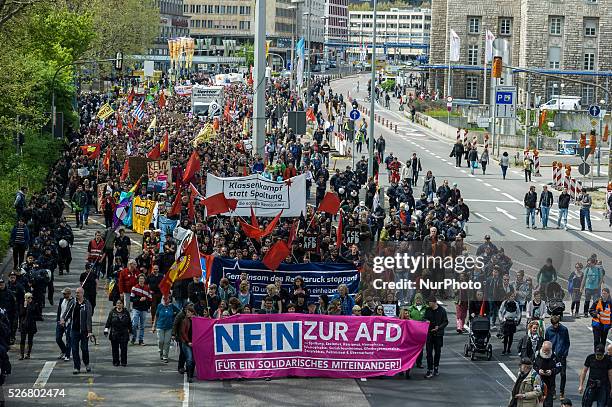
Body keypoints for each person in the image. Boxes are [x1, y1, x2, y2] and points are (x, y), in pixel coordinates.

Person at [61, 287, 93, 374]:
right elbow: (67, 312)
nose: (77, 294)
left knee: (84, 348)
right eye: (76, 293)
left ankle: (86, 364)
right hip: (74, 330)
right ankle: (77, 367)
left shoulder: (87, 304)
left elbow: (88, 318)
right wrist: (63, 319)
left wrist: (89, 331)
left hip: (84, 331)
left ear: (82, 293)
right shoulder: (73, 302)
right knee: (74, 349)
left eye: (78, 293)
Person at [545, 315, 570, 400]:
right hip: (552, 356)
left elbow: (567, 342)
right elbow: (546, 342)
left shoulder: (564, 329)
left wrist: (565, 353)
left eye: (556, 324)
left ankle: (562, 392)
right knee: (552, 374)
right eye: (553, 324)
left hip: (562, 355)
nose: (555, 326)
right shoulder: (548, 330)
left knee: (563, 374)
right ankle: (553, 391)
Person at [424, 294, 448, 378]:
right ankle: (429, 369)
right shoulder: (428, 310)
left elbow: (445, 322)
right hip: (429, 334)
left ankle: (436, 367)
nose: (428, 304)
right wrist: (426, 321)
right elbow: (425, 318)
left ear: (434, 302)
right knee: (429, 352)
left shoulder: (442, 311)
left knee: (437, 352)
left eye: (430, 303)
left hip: (438, 334)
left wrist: (439, 327)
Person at [104, 299, 132, 367]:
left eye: (120, 303)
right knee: (115, 349)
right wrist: (106, 330)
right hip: (114, 333)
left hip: (124, 333)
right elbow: (108, 322)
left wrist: (130, 331)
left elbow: (129, 323)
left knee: (124, 349)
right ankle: (116, 362)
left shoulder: (126, 312)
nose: (118, 304)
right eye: (117, 303)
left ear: (122, 304)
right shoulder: (112, 312)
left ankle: (123, 362)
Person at [534, 341, 561, 407]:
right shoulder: (537, 354)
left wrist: (552, 371)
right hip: (538, 381)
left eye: (548, 351)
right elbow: (532, 365)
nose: (546, 352)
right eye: (544, 350)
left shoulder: (554, 356)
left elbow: (559, 367)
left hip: (550, 382)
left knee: (548, 403)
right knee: (538, 402)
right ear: (542, 348)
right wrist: (538, 370)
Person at [154, 296, 178, 363]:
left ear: (169, 299)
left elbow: (179, 312)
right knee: (161, 341)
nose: (164, 300)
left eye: (166, 298)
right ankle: (160, 351)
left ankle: (165, 356)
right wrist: (153, 326)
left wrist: (174, 315)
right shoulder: (160, 306)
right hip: (160, 326)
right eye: (163, 298)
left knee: (167, 342)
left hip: (169, 327)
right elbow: (156, 315)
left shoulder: (172, 306)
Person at [130, 274, 152, 346]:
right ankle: (133, 338)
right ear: (138, 280)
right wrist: (139, 299)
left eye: (142, 279)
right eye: (140, 279)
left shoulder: (147, 288)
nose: (141, 280)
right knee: (134, 324)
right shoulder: (134, 288)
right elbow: (131, 299)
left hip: (144, 309)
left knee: (142, 326)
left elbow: (150, 299)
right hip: (136, 308)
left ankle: (141, 340)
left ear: (144, 280)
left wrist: (148, 306)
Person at [178, 304, 196, 383]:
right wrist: (188, 342)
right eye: (187, 312)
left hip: (195, 343)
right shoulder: (185, 321)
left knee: (194, 360)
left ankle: (191, 374)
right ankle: (189, 376)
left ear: (192, 313)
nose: (187, 313)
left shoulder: (196, 320)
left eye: (189, 312)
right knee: (189, 359)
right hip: (186, 343)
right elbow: (183, 332)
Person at [19, 292, 38, 360]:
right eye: (28, 298)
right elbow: (21, 314)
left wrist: (30, 306)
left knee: (30, 340)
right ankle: (21, 354)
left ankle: (28, 353)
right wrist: (25, 306)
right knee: (22, 339)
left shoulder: (34, 304)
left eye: (30, 297)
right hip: (24, 324)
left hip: (31, 324)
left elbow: (37, 313)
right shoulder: (22, 304)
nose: (30, 299)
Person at [56, 287, 72, 362]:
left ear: (69, 294)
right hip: (60, 321)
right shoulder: (61, 300)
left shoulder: (73, 301)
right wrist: (58, 320)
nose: (63, 295)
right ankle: (64, 350)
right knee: (58, 338)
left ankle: (67, 354)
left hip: (68, 322)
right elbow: (59, 310)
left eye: (64, 294)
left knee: (68, 339)